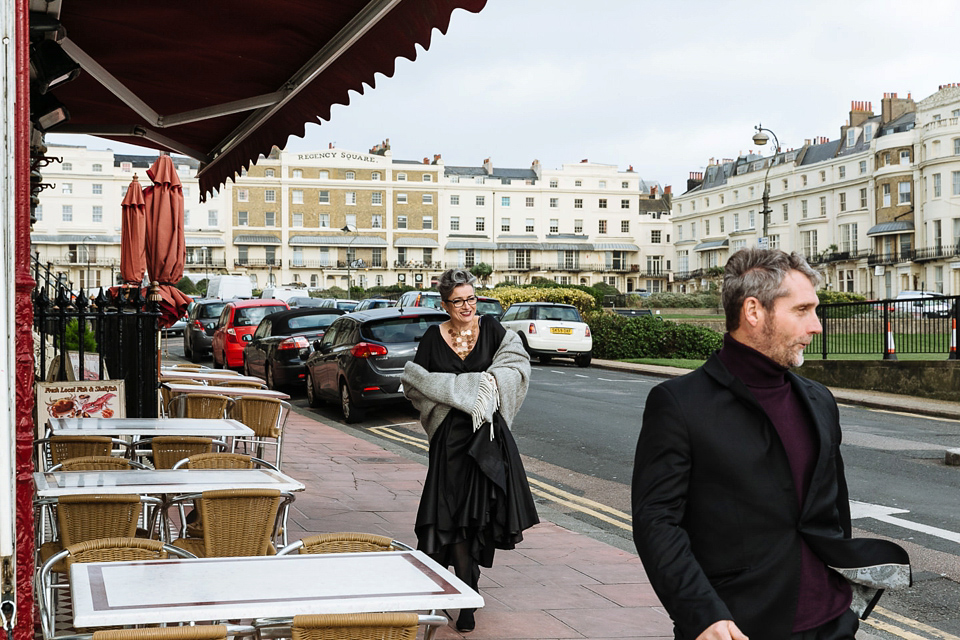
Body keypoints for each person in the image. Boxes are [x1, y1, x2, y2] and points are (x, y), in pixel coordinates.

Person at [632, 248, 910, 640]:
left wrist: (843, 600)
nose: (816, 326)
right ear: (753, 311)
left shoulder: (819, 400)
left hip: (832, 623)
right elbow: (656, 522)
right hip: (739, 626)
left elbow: (832, 510)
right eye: (802, 310)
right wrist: (702, 614)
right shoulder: (679, 404)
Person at [402, 269, 539, 632]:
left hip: (487, 439)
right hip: (448, 442)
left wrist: (478, 387)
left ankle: (468, 598)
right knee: (450, 515)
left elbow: (516, 367)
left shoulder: (493, 330)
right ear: (444, 304)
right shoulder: (434, 337)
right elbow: (416, 383)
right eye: (458, 300)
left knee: (474, 518)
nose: (467, 306)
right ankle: (459, 589)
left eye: (471, 298)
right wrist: (467, 388)